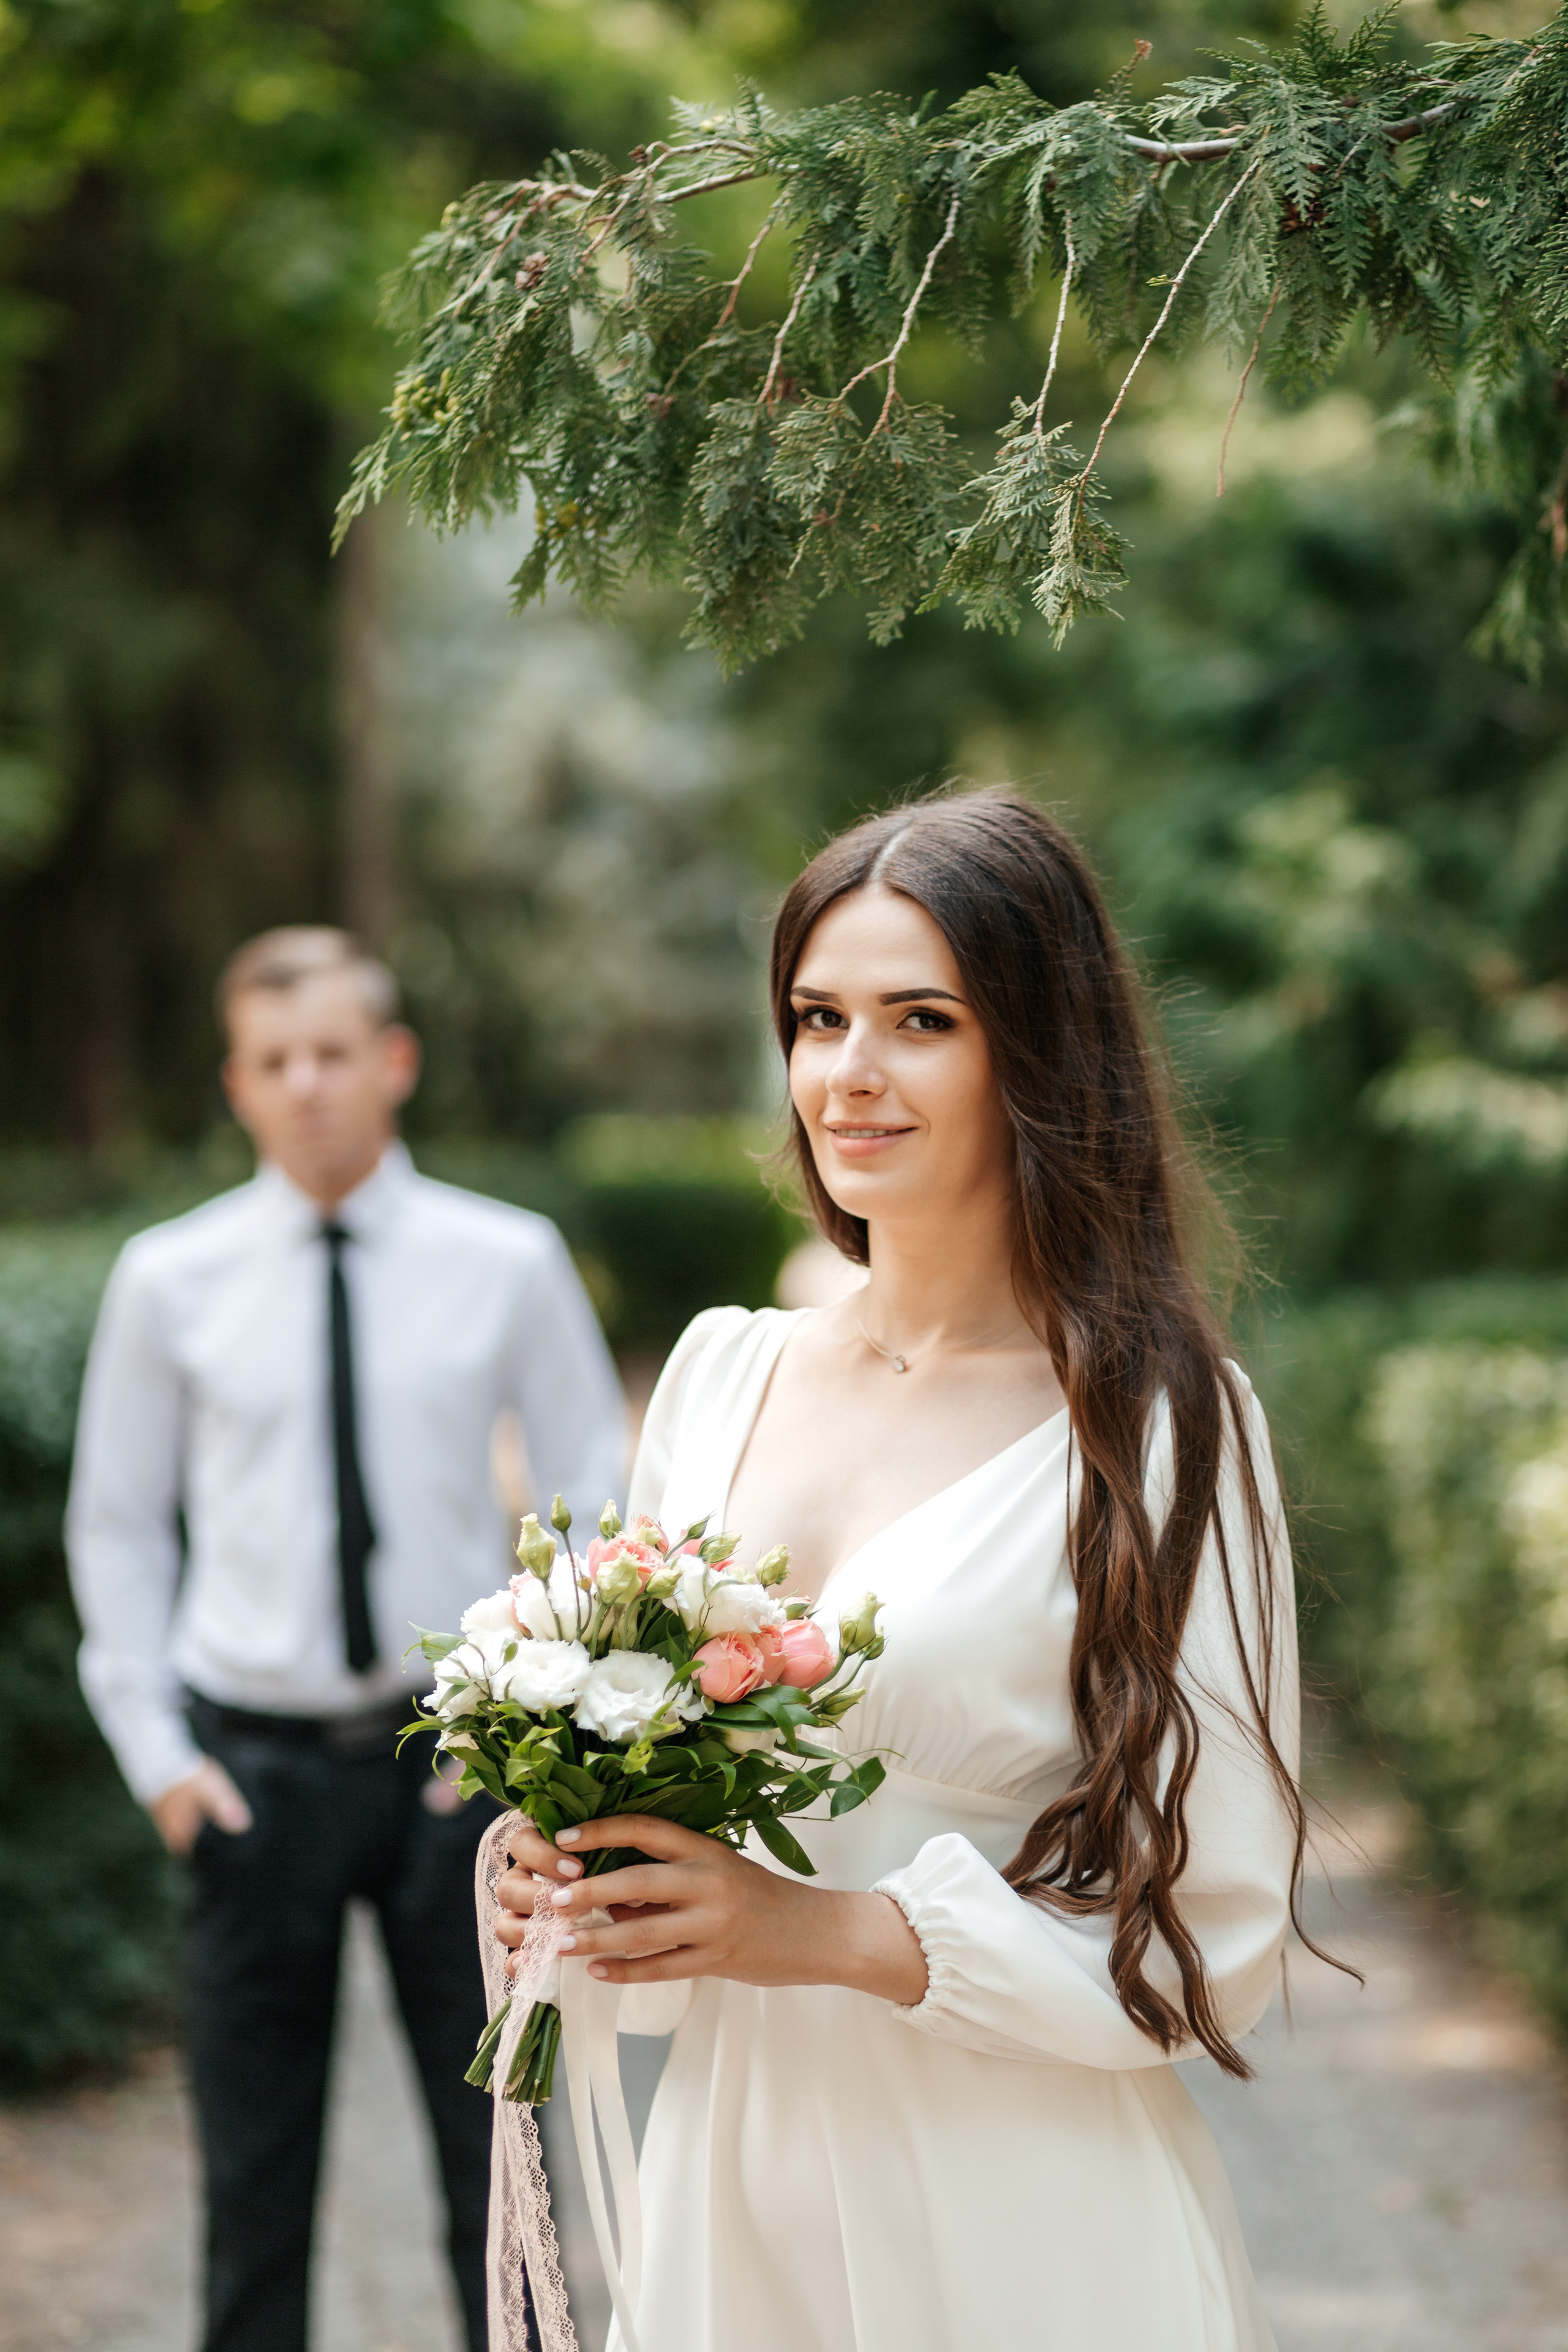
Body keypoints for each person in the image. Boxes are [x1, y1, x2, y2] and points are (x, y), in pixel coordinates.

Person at [492, 789, 1316, 2352]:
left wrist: (808, 1932)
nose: (847, 1075)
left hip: (1019, 2201)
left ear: (1039, 1050)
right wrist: (589, 1875)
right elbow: (674, 1833)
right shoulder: (720, 1375)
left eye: (918, 1019)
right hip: (739, 2181)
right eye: (816, 1018)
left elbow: (1212, 1931)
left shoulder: (1158, 1428)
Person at [67, 927, 624, 2352]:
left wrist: (533, 1746)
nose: (305, 1084)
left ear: (394, 1063)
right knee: (254, 2187)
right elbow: (119, 1526)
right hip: (252, 1780)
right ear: (237, 1085)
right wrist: (163, 1766)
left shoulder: (502, 1260)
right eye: (272, 1060)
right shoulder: (168, 1279)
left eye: (331, 1052)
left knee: (500, 2170)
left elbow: (600, 1502)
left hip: (455, 1779)